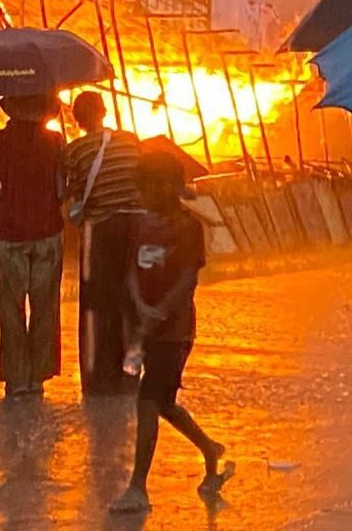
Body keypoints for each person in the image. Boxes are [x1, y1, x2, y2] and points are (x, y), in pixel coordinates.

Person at [109, 152, 231, 514]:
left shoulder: (188, 227)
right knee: (162, 403)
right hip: (143, 328)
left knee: (147, 401)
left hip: (174, 332)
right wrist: (139, 307)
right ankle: (209, 449)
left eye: (146, 187)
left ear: (165, 187)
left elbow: (188, 278)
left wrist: (159, 311)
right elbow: (130, 269)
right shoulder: (140, 225)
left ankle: (137, 487)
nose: (141, 195)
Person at [64, 91, 143, 395]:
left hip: (100, 230)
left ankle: (98, 375)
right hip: (135, 227)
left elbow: (73, 192)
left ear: (77, 118)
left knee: (96, 302)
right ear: (105, 111)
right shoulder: (130, 140)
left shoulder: (75, 151)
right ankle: (131, 370)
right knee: (130, 298)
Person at [0, 94, 65, 397]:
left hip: (10, 232)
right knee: (45, 305)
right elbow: (61, 187)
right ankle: (38, 374)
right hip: (47, 230)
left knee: (10, 306)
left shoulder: (1, 141)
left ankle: (16, 376)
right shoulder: (55, 142)